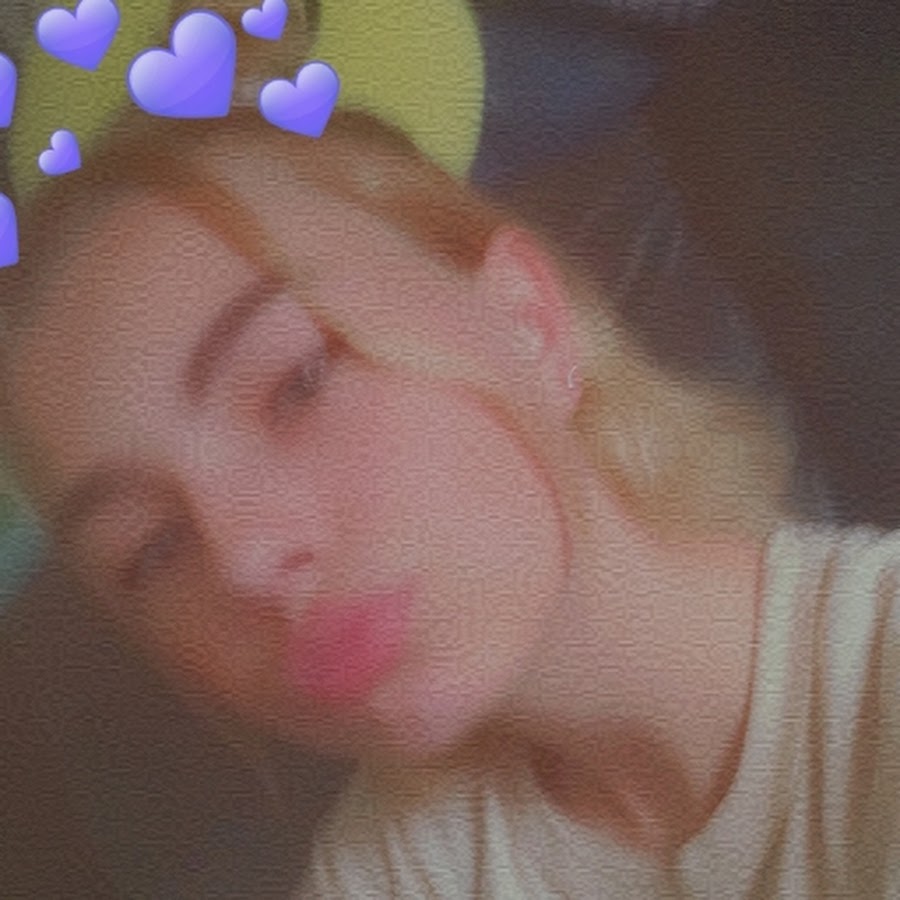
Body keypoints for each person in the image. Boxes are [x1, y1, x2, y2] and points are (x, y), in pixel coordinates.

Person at [3, 103, 886, 900]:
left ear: (527, 321)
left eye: (298, 383)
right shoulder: (390, 872)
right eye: (151, 548)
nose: (241, 561)